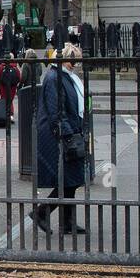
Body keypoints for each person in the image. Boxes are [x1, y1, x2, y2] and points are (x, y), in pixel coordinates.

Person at [31, 43, 92, 235]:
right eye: (74, 59)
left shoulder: (66, 76)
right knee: (66, 181)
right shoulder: (54, 77)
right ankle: (41, 213)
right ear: (66, 58)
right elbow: (55, 111)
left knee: (71, 180)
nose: (76, 64)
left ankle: (67, 222)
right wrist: (68, 134)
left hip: (69, 133)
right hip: (58, 137)